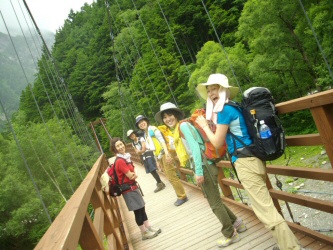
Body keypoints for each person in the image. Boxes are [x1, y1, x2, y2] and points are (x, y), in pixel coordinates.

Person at [195, 73, 303, 250]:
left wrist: (204, 126)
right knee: (266, 206)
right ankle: (286, 245)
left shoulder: (224, 110)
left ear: (224, 90)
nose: (211, 93)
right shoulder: (235, 107)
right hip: (255, 160)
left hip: (245, 163)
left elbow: (216, 142)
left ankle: (292, 248)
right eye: (208, 90)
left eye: (214, 88)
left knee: (265, 211)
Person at [154, 102, 246, 247]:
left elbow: (196, 149)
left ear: (176, 114)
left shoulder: (183, 126)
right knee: (215, 199)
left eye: (169, 115)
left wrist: (198, 171)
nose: (167, 119)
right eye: (164, 117)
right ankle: (237, 223)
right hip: (205, 164)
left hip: (203, 166)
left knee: (214, 203)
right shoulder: (179, 129)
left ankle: (230, 233)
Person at [110, 137, 161, 240]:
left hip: (133, 187)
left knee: (142, 208)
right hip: (128, 190)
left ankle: (148, 227)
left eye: (121, 144)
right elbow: (131, 175)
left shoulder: (125, 158)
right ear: (115, 149)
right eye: (118, 146)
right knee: (137, 211)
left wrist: (134, 173)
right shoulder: (120, 161)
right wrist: (134, 173)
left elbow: (133, 173)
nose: (121, 147)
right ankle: (144, 233)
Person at [135, 115, 188, 206]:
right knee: (169, 176)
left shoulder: (153, 129)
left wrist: (167, 153)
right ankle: (180, 195)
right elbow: (154, 148)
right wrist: (157, 160)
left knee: (171, 176)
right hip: (160, 156)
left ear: (146, 121)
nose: (142, 124)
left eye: (143, 121)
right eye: (139, 123)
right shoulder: (146, 133)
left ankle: (182, 196)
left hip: (164, 154)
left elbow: (162, 140)